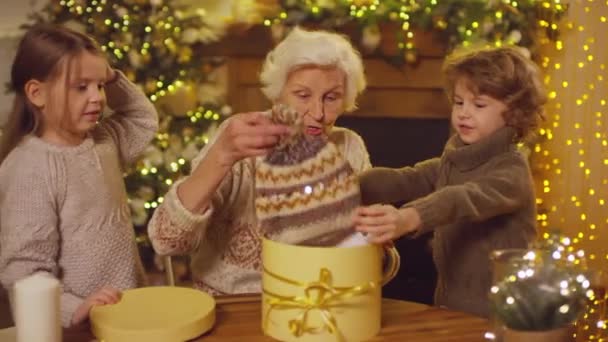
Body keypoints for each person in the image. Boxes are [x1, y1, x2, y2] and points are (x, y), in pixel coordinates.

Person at [148, 27, 370, 295]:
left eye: (331, 97)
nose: (318, 113)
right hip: (229, 305)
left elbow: (369, 247)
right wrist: (220, 157)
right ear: (277, 93)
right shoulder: (239, 137)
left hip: (313, 305)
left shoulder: (349, 147)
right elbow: (167, 240)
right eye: (302, 95)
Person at [353, 46, 546, 318]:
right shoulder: (457, 158)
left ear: (514, 112)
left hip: (500, 312)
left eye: (478, 105)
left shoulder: (511, 170)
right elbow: (410, 177)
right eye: (459, 102)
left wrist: (409, 217)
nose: (464, 113)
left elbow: (463, 198)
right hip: (451, 301)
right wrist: (350, 185)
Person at [0, 24, 158, 327]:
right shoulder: (29, 169)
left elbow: (143, 118)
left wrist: (110, 76)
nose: (98, 97)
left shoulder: (104, 140)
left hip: (126, 310)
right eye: (81, 87)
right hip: (77, 324)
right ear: (37, 93)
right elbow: (23, 272)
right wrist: (73, 308)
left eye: (99, 86)